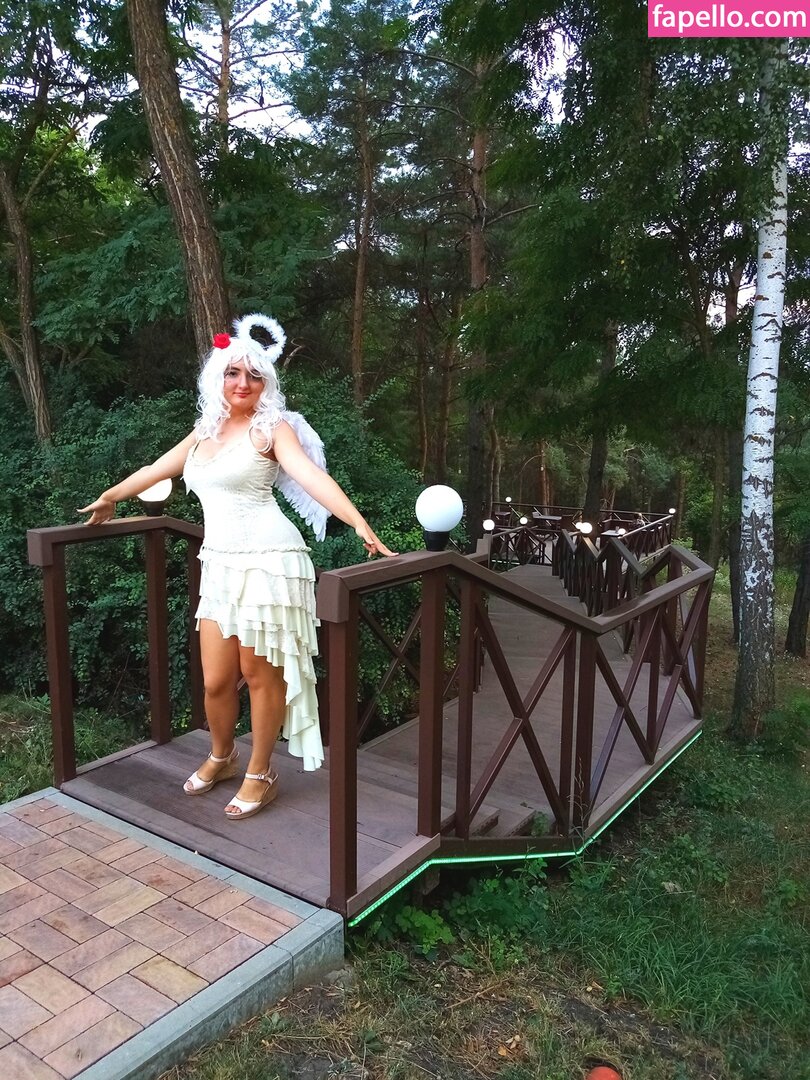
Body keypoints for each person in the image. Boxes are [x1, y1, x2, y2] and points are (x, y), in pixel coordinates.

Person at [80, 313, 396, 821]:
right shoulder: (203, 432)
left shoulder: (273, 429)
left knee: (258, 673)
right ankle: (222, 756)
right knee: (215, 680)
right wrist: (111, 496)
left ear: (266, 383)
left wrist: (358, 521)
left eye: (253, 375)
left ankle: (261, 772)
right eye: (233, 373)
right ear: (218, 378)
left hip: (270, 562)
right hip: (220, 565)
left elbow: (310, 476)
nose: (242, 383)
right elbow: (156, 469)